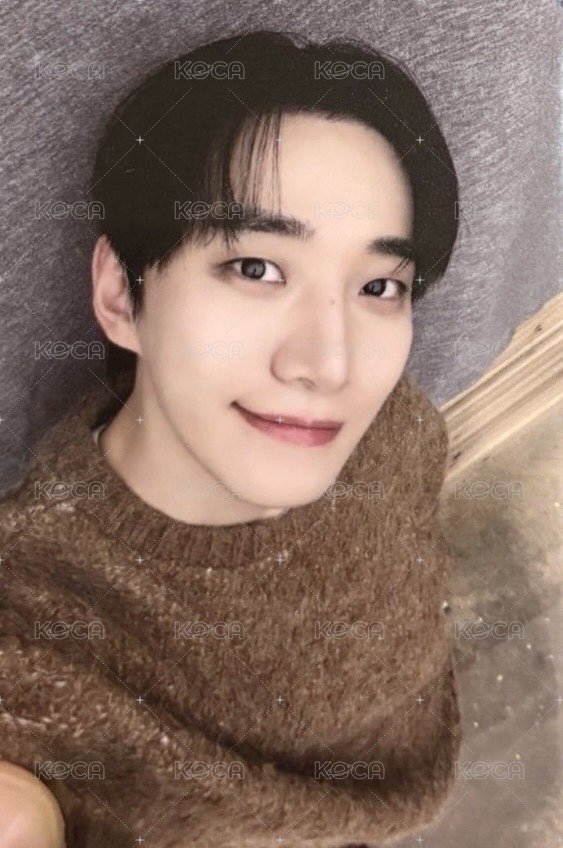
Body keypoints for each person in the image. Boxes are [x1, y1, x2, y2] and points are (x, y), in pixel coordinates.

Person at [0, 30, 459, 846]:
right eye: (255, 269)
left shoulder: (399, 433)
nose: (330, 364)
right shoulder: (38, 639)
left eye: (377, 286)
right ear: (121, 294)